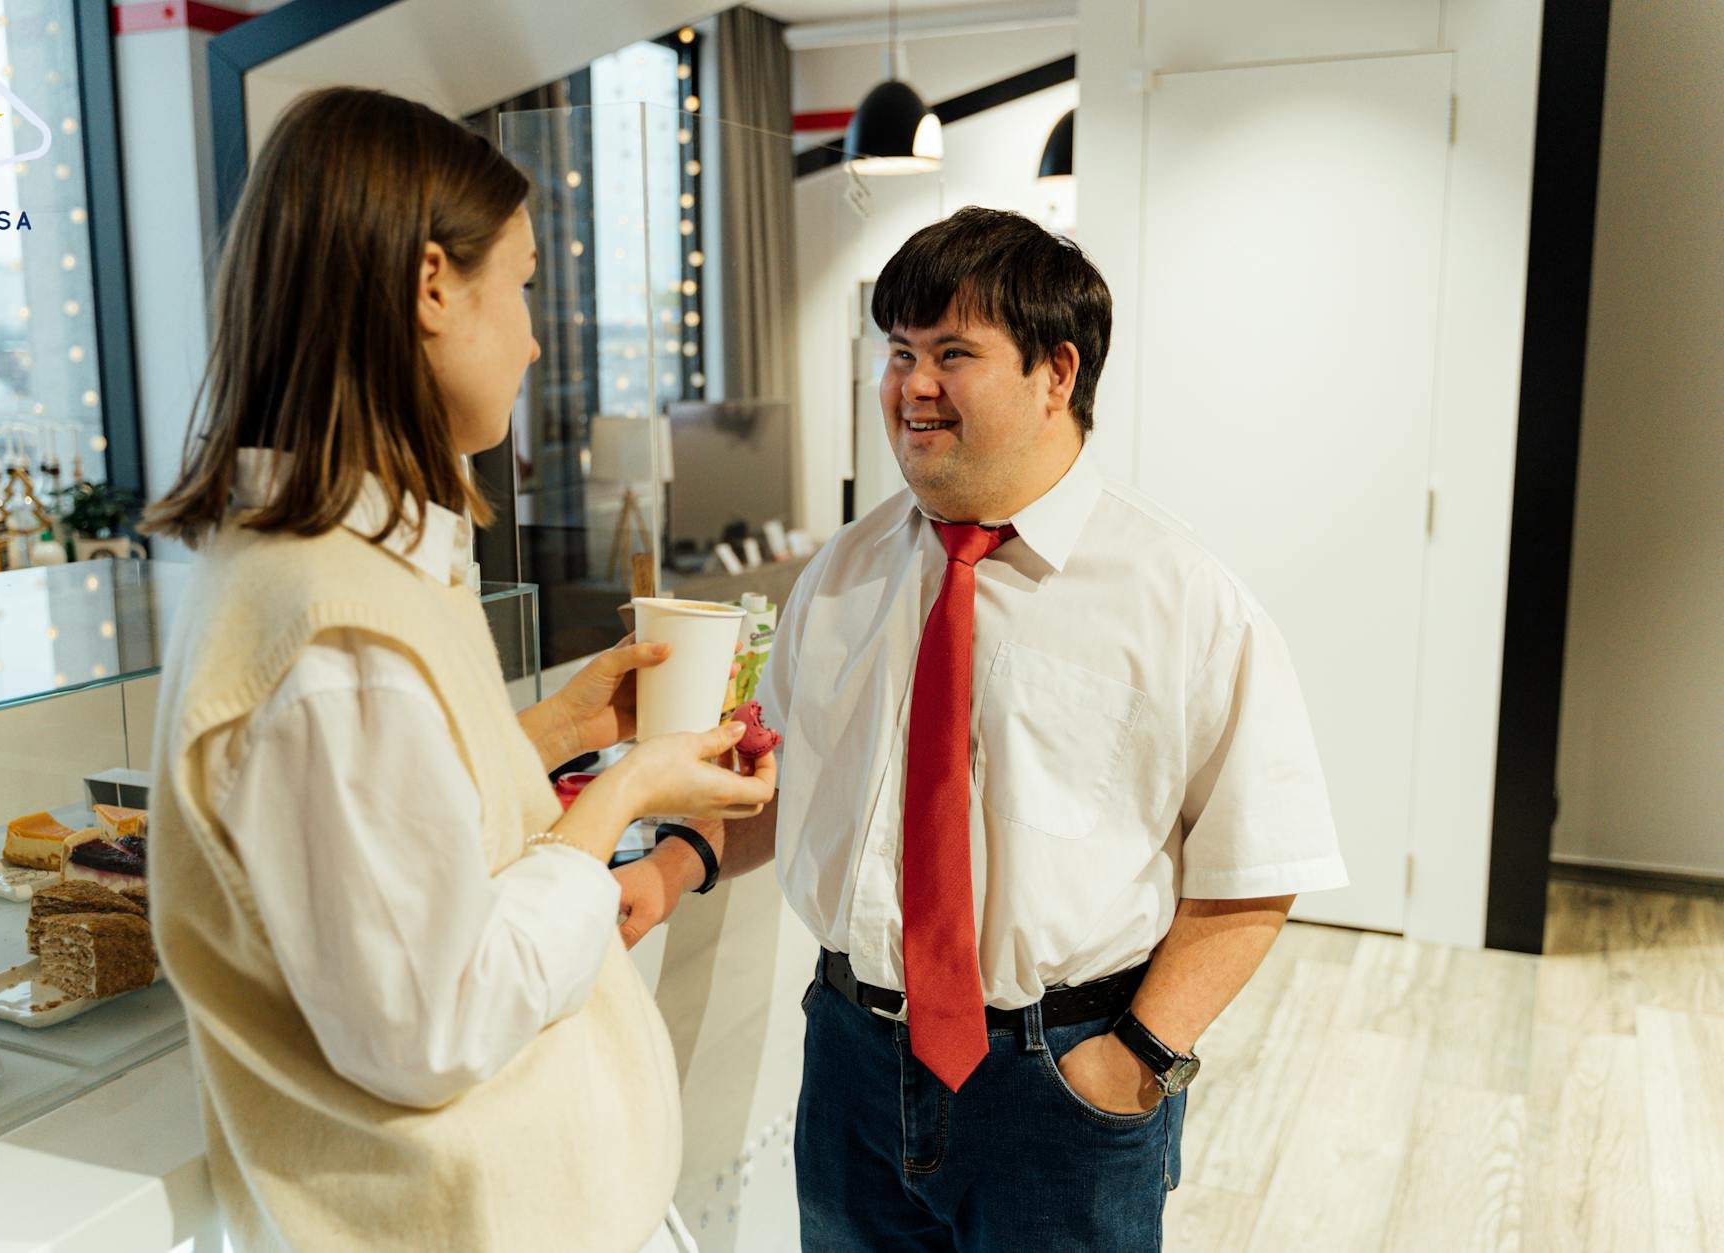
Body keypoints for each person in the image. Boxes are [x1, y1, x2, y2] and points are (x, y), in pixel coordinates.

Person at [617, 207, 1349, 1251]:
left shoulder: (1181, 600)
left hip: (1061, 1084)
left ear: (1055, 372)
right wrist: (671, 862)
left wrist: (1134, 1054)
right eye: (899, 352)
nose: (912, 385)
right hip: (851, 1069)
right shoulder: (844, 571)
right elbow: (781, 776)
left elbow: (1253, 866)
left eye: (951, 354)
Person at [141, 87, 775, 1253]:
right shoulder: (333, 629)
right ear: (432, 285)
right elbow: (433, 1022)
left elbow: (394, 830)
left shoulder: (354, 570)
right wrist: (627, 795)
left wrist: (551, 731)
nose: (535, 336)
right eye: (524, 284)